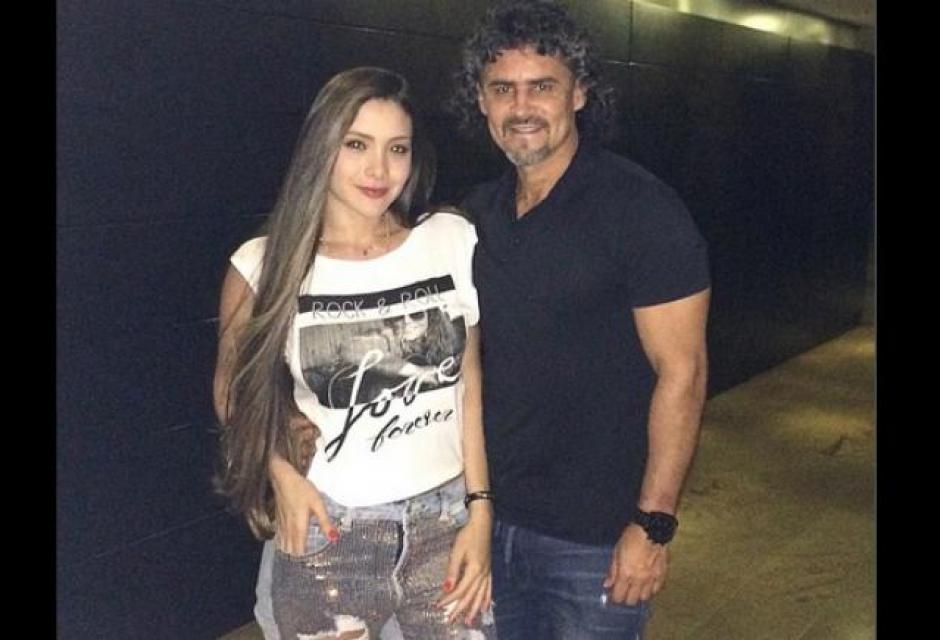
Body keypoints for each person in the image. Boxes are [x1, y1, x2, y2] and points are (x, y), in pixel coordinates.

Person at [448, 1, 712, 637]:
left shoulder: (642, 210)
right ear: (481, 101)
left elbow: (683, 373)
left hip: (595, 542)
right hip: (486, 525)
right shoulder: (473, 217)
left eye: (542, 86)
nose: (521, 107)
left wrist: (653, 524)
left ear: (579, 93)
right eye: (502, 89)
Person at [213, 67, 496, 639]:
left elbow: (469, 386)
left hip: (446, 524)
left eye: (398, 149)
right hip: (330, 530)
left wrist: (481, 510)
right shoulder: (262, 264)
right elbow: (230, 390)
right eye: (357, 145)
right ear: (322, 147)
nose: (379, 170)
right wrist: (280, 474)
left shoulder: (449, 239)